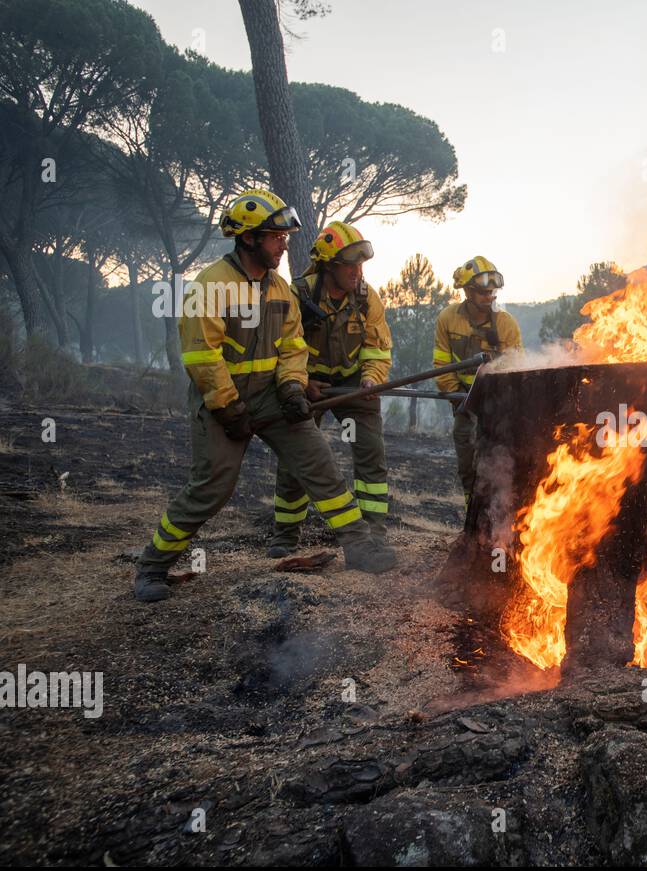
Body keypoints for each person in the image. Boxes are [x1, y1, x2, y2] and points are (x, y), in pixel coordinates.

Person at [133, 189, 395, 602]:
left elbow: (293, 346)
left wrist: (292, 385)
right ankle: (152, 567)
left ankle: (359, 546)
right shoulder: (210, 287)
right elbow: (202, 357)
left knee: (321, 466)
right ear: (249, 238)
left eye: (284, 236)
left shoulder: (279, 290)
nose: (284, 243)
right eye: (276, 237)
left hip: (273, 395)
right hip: (222, 402)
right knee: (212, 488)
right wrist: (228, 406)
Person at [267, 222, 393, 555]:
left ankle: (374, 533)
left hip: (353, 382)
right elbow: (278, 348)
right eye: (349, 264)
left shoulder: (367, 298)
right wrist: (301, 383)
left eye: (360, 263)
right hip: (305, 383)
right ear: (328, 265)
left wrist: (372, 379)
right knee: (298, 458)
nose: (357, 271)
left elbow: (377, 349)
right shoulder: (296, 296)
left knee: (371, 455)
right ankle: (285, 535)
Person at [432, 256, 522, 515]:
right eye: (483, 292)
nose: (489, 296)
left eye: (492, 291)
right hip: (463, 402)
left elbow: (517, 369)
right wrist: (456, 396)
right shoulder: (448, 319)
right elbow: (441, 361)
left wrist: (502, 404)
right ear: (467, 291)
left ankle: (501, 522)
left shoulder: (505, 324)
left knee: (498, 467)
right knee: (468, 468)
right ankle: (473, 524)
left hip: (498, 407)